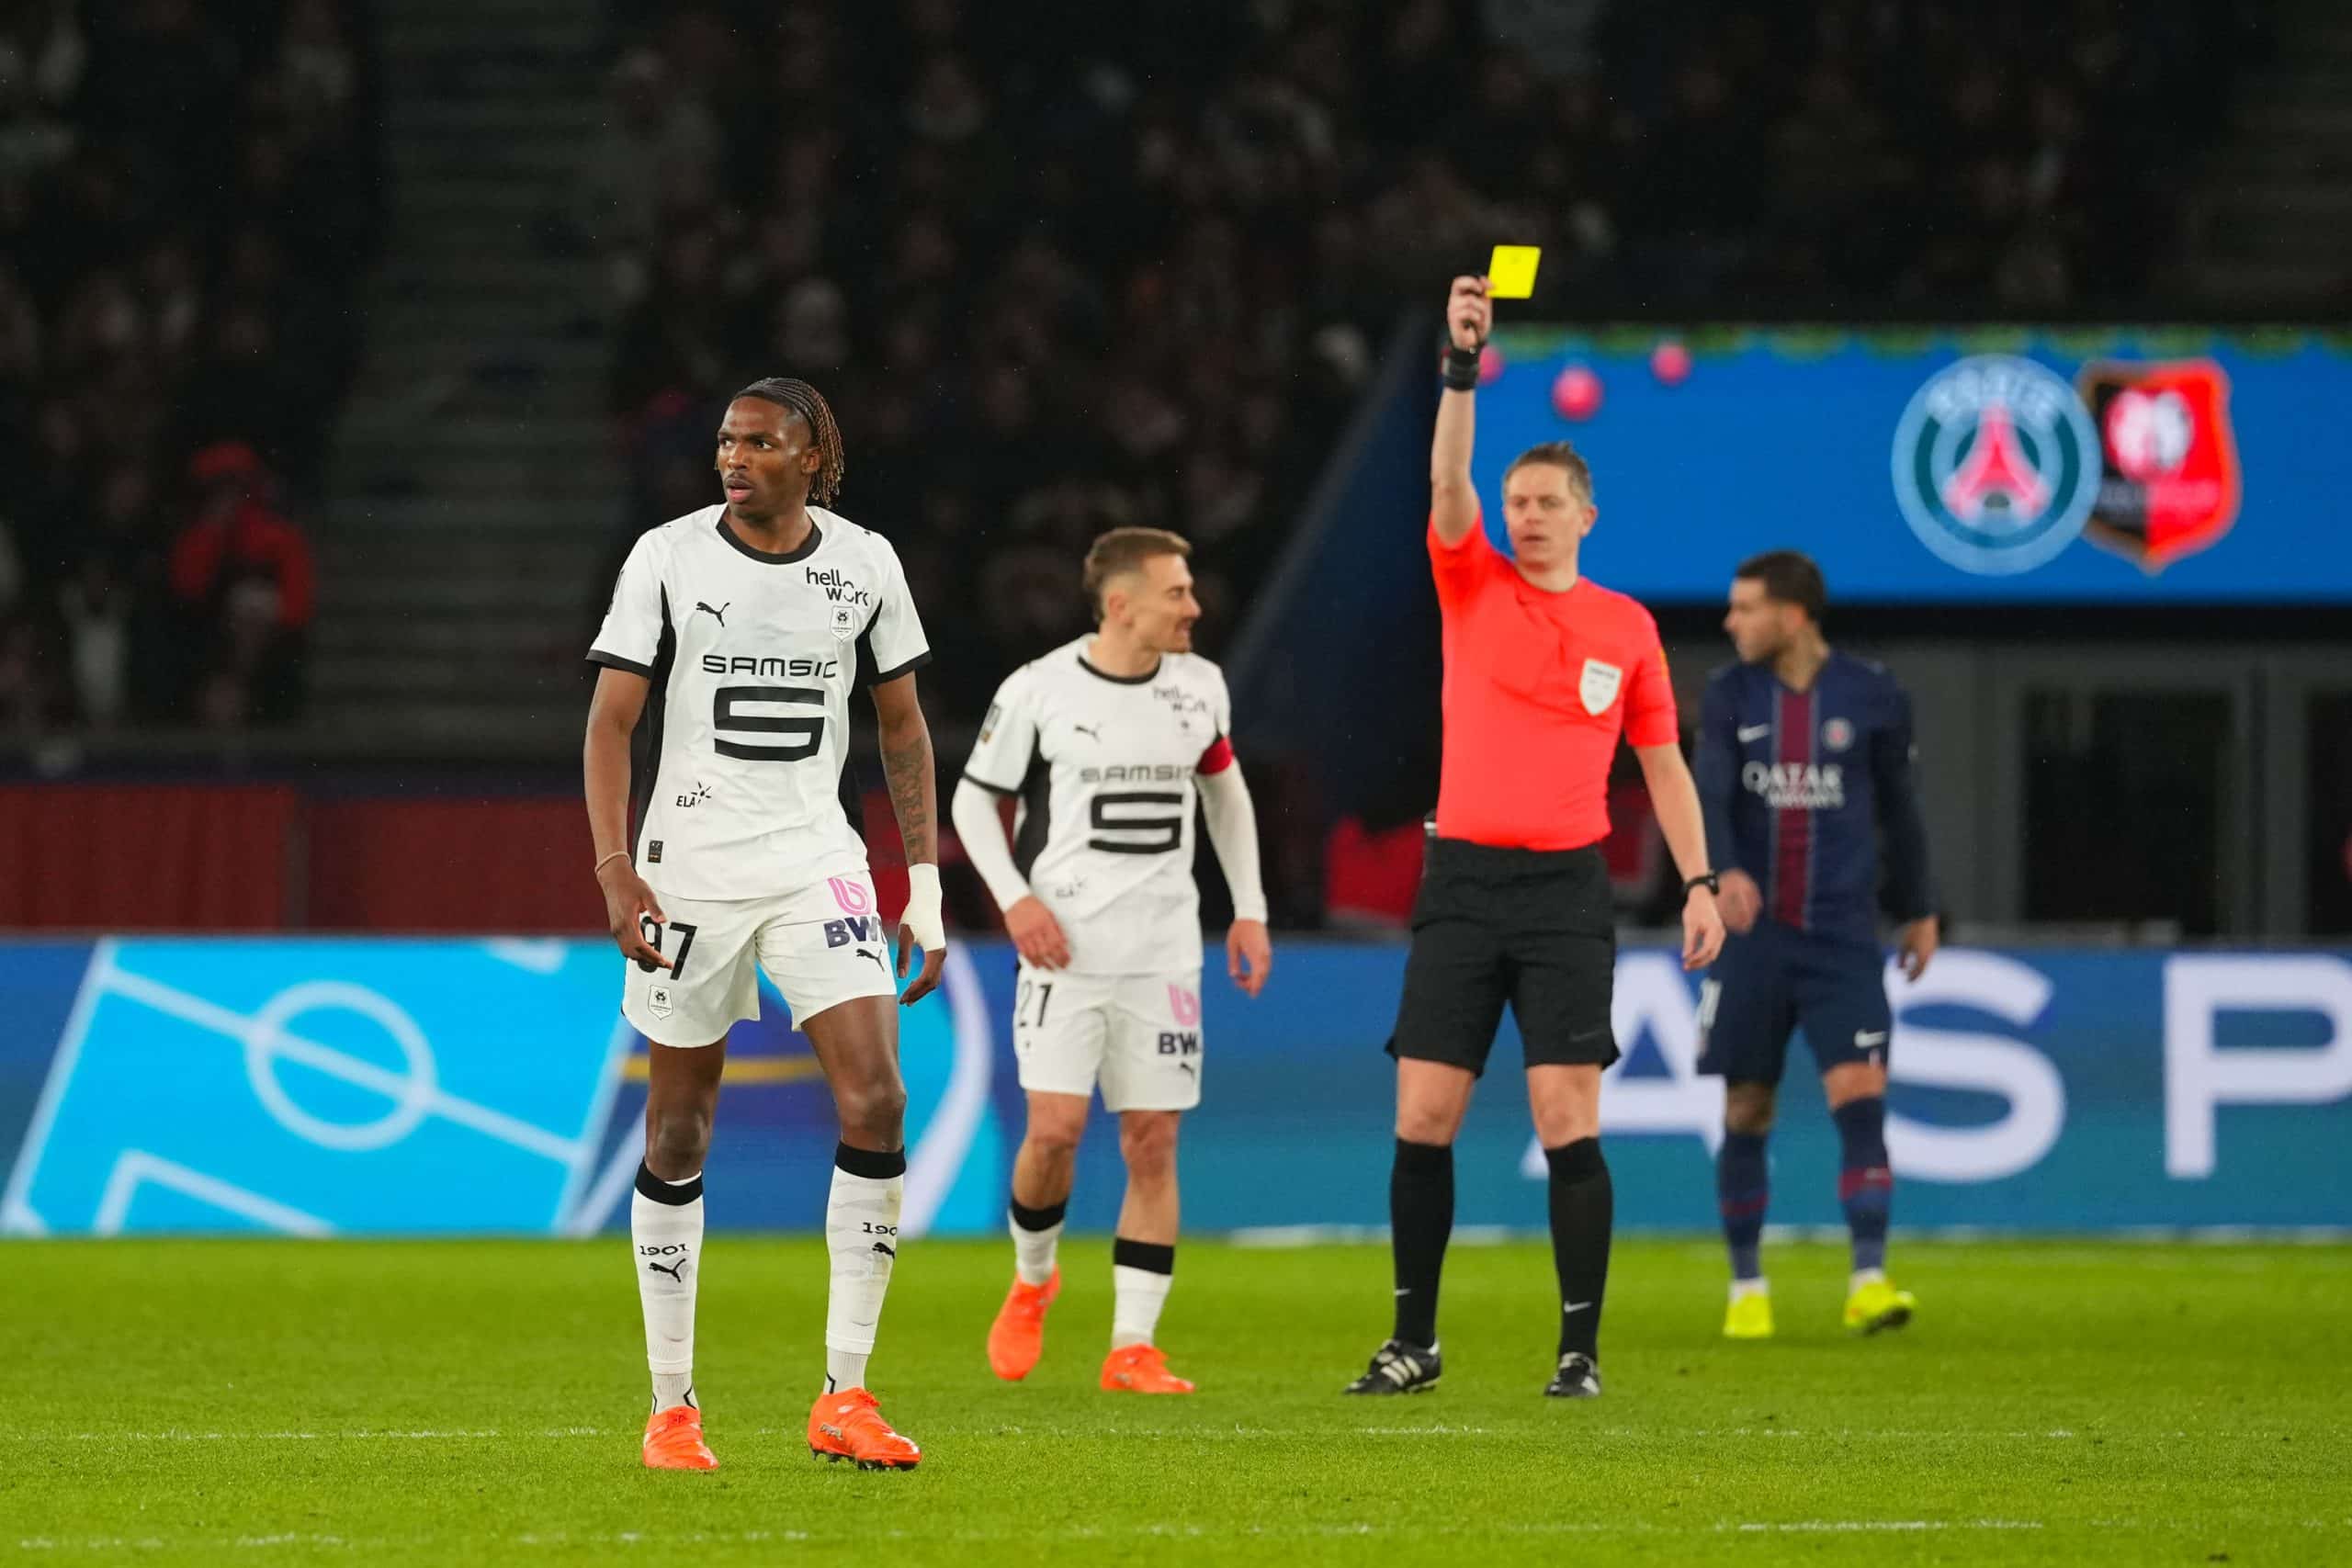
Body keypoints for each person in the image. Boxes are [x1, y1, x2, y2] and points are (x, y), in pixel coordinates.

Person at [1344, 276, 1726, 1402]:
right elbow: (1444, 481)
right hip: (1460, 883)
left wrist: (1701, 881)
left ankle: (1577, 1353)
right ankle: (1413, 1343)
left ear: (1585, 516)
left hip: (1564, 893)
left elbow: (1663, 766)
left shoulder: (1627, 627)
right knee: (1423, 1117)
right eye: (1516, 500)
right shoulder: (1470, 583)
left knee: (1567, 1121)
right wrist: (1461, 367)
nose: (1527, 515)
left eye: (1548, 501)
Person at [583, 378, 946, 1472]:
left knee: (879, 1098)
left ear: (812, 457)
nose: (733, 459)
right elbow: (610, 722)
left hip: (815, 860)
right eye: (726, 442)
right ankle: (672, 1407)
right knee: (679, 1132)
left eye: (759, 443)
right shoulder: (667, 558)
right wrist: (614, 868)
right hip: (688, 867)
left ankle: (845, 1393)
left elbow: (902, 727)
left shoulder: (865, 564)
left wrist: (923, 884)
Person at [951, 527, 1272, 1395]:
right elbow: (974, 802)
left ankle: (1133, 1344)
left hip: (1164, 950)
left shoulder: (1200, 686)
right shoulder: (1039, 689)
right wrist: (1015, 899)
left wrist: (1249, 907)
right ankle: (1033, 1278)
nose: (1195, 606)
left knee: (1153, 1138)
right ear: (1122, 604)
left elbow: (1226, 793)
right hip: (1065, 947)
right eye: (1177, 592)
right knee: (1054, 1131)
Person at [1694, 550, 1938, 1340]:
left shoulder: (1873, 693)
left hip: (1843, 937)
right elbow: (1709, 794)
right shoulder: (1729, 694)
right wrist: (1723, 870)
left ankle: (1868, 1279)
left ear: (1792, 615)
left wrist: (1920, 908)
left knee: (1860, 1096)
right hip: (1753, 939)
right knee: (1747, 1105)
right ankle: (1747, 1286)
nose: (1730, 621)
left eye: (1746, 607)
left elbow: (1900, 808)